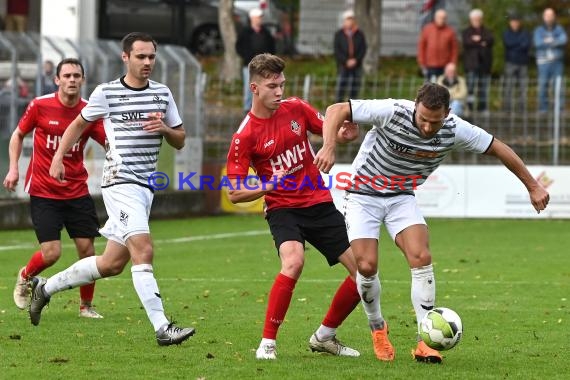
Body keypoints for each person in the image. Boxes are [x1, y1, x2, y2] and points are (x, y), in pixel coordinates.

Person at [314, 82, 550, 363]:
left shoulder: (455, 128)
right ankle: (378, 327)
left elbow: (498, 148)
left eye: (434, 122)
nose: (427, 127)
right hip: (363, 195)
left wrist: (533, 186)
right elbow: (337, 109)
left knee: (421, 256)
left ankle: (424, 341)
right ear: (415, 106)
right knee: (366, 266)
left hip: (401, 196)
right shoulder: (392, 111)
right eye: (423, 119)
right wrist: (329, 146)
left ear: (447, 113)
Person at [29, 32, 194, 347]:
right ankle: (162, 328)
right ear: (126, 57)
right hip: (119, 182)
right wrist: (58, 158)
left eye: (151, 57)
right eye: (140, 56)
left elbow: (181, 139)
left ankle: (45, 288)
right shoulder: (106, 92)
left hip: (145, 188)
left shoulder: (162, 93)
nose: (147, 62)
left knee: (111, 264)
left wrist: (165, 129)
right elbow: (77, 125)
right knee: (143, 250)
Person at [226, 53, 362, 360]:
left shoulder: (296, 108)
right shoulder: (244, 135)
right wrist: (268, 186)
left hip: (319, 203)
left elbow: (329, 129)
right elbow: (234, 192)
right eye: (272, 86)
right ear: (254, 88)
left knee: (364, 272)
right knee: (293, 261)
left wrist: (343, 135)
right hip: (282, 208)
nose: (279, 91)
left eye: (281, 85)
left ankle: (325, 336)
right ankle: (267, 344)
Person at [3, 58, 106, 319]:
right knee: (52, 253)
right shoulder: (40, 105)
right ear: (57, 79)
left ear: (82, 80)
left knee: (87, 250)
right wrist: (13, 168)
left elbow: (108, 141)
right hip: (43, 190)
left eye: (77, 75)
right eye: (67, 75)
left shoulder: (89, 112)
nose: (72, 80)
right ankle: (26, 276)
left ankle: (86, 306)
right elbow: (17, 135)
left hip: (77, 190)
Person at [236, 8, 276, 114]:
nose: (259, 20)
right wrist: (246, 56)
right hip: (249, 64)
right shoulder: (245, 32)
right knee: (249, 87)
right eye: (257, 18)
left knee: (264, 86)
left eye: (260, 17)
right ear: (252, 19)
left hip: (264, 66)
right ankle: (247, 108)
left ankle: (262, 106)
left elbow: (272, 47)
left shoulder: (266, 33)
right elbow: (238, 47)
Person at [533, 8, 567, 113]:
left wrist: (549, 41)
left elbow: (564, 40)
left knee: (558, 85)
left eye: (551, 15)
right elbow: (537, 43)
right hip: (543, 62)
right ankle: (543, 109)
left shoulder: (559, 29)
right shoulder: (538, 30)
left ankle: (559, 109)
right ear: (544, 17)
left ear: (554, 16)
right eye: (547, 15)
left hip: (557, 62)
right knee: (543, 85)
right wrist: (555, 41)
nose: (549, 17)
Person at [462, 9, 494, 113]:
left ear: (481, 19)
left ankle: (482, 108)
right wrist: (481, 42)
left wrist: (476, 40)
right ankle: (470, 108)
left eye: (478, 19)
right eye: (474, 19)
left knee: (483, 88)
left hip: (484, 65)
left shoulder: (487, 31)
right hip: (471, 65)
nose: (476, 21)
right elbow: (467, 42)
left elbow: (490, 40)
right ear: (471, 20)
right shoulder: (466, 32)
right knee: (470, 88)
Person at [333, 9, 367, 102]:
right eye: (348, 19)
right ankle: (338, 106)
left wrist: (356, 60)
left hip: (356, 65)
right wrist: (345, 61)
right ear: (344, 21)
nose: (350, 21)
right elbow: (337, 50)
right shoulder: (339, 34)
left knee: (354, 87)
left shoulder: (359, 34)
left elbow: (363, 49)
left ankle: (352, 107)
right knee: (341, 86)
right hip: (343, 65)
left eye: (351, 19)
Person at [417, 9, 458, 82]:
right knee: (430, 87)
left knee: (443, 88)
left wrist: (452, 63)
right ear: (435, 17)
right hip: (430, 65)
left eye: (444, 18)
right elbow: (421, 47)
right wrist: (422, 62)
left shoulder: (450, 31)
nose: (442, 20)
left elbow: (454, 49)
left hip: (445, 66)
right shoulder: (427, 29)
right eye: (440, 17)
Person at [502, 12, 531, 112]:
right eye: (513, 21)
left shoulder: (525, 33)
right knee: (508, 87)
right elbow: (508, 43)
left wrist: (515, 45)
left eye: (516, 21)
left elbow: (526, 45)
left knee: (523, 88)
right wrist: (519, 43)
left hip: (523, 63)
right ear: (510, 22)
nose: (515, 23)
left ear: (519, 22)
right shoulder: (506, 33)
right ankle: (507, 109)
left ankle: (521, 109)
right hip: (510, 62)